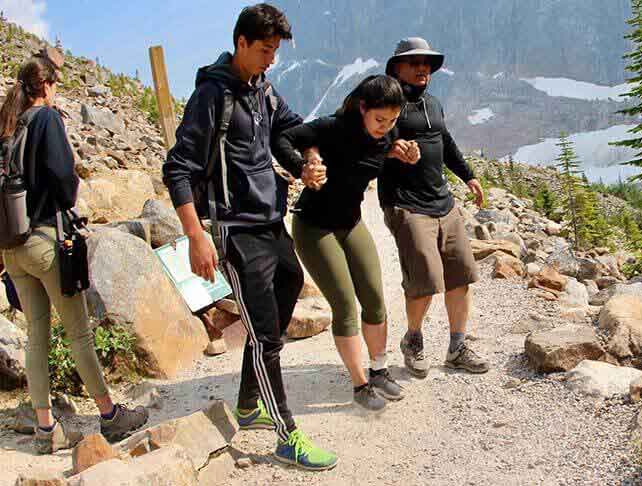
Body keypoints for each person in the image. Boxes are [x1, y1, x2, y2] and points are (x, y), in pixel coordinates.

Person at [161, 4, 336, 471]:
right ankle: (287, 436)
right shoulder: (211, 96)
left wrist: (306, 162)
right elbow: (177, 168)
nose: (270, 59)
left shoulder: (263, 89)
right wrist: (197, 236)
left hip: (270, 221)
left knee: (290, 285)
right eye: (264, 50)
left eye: (275, 51)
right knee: (264, 335)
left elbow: (288, 130)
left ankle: (246, 403)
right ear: (240, 42)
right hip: (235, 231)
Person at [0, 48, 147, 454]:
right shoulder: (46, 118)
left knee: (35, 335)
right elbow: (64, 175)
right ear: (45, 86)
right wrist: (65, 199)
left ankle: (46, 428)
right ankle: (109, 415)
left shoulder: (7, 126)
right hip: (47, 242)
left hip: (13, 249)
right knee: (79, 332)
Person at [274, 75, 419, 411]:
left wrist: (406, 155)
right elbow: (282, 138)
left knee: (374, 298)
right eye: (379, 119)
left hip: (351, 223)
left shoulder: (390, 135)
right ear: (363, 108)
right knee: (345, 306)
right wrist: (303, 166)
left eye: (393, 120)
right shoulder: (333, 127)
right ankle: (360, 384)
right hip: (314, 227)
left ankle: (379, 370)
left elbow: (387, 155)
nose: (386, 126)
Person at [381, 37, 488, 378]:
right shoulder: (386, 102)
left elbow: (445, 141)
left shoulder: (433, 102)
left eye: (426, 63)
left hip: (442, 201)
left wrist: (468, 176)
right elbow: (370, 139)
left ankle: (457, 347)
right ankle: (413, 340)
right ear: (397, 67)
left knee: (460, 275)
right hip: (406, 204)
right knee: (425, 278)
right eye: (414, 62)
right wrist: (393, 149)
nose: (422, 68)